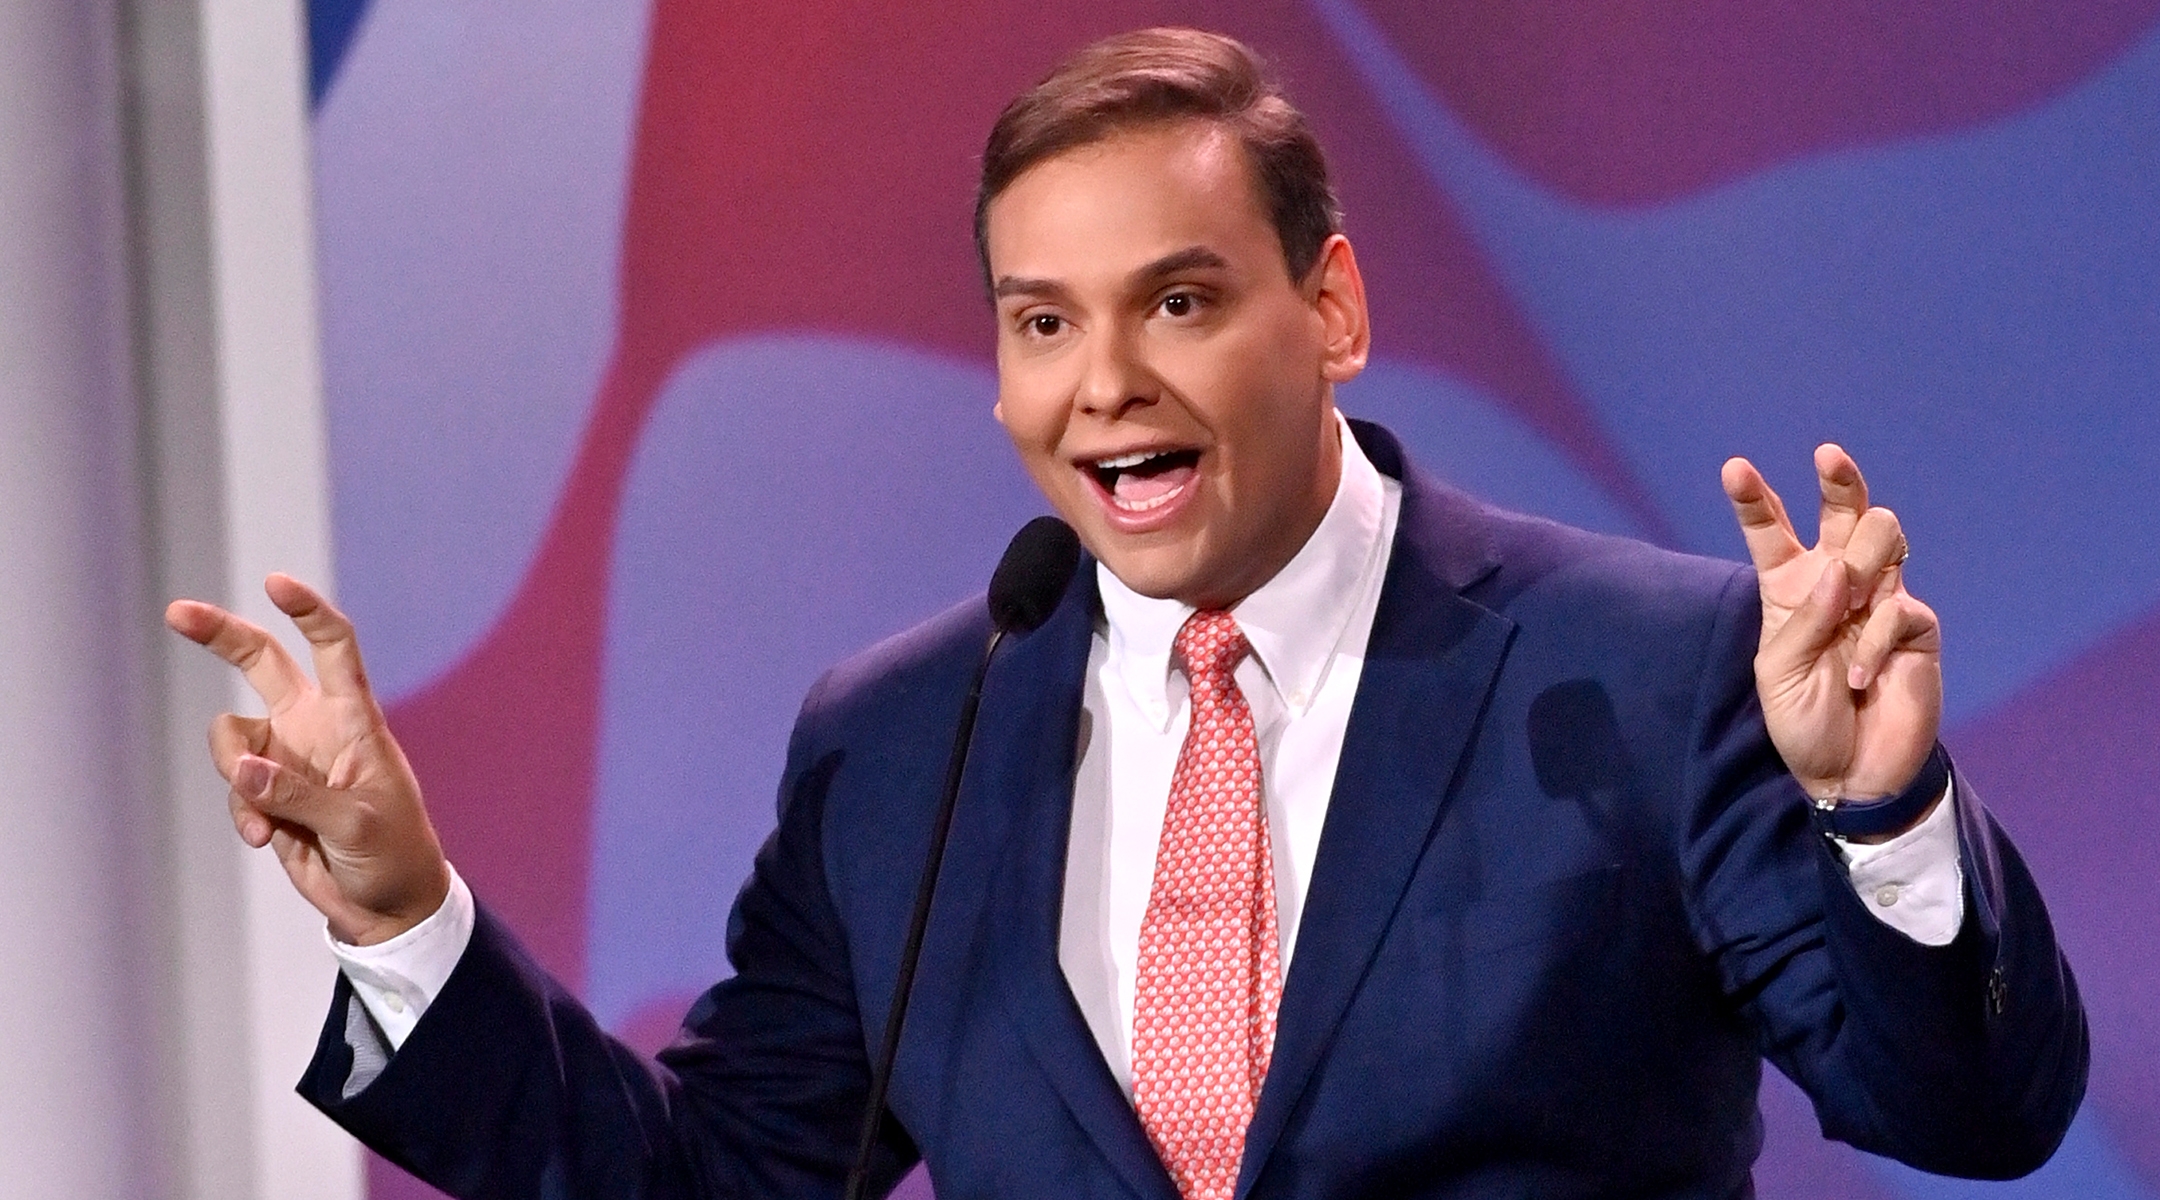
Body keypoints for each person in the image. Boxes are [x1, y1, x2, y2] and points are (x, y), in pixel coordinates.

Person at [166, 27, 2084, 1200]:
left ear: (1328, 306)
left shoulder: (1644, 667)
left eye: (1179, 302)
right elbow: (725, 1185)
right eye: (1042, 324)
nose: (1106, 386)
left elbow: (1972, 1114)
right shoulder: (904, 740)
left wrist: (1885, 822)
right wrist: (414, 918)